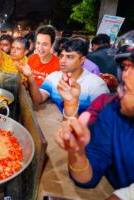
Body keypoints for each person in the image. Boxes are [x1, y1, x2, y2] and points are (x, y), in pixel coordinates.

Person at [54, 35, 134, 196]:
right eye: (125, 67)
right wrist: (77, 152)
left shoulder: (96, 85)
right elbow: (87, 178)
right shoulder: (112, 111)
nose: (126, 76)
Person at [20, 39, 109, 115]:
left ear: (82, 60)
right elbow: (37, 100)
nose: (62, 61)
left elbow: (102, 120)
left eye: (69, 57)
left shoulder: (96, 85)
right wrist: (30, 77)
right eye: (61, 56)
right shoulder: (54, 77)